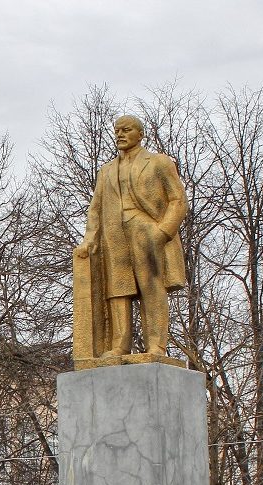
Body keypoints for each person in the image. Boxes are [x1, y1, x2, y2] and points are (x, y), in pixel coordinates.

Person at [73, 115, 187, 361]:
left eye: (126, 130)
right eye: (117, 130)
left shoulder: (158, 162)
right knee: (118, 289)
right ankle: (120, 345)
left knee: (151, 287)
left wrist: (163, 231)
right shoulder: (106, 171)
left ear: (140, 134)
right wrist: (90, 239)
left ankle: (156, 346)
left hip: (146, 229)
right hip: (114, 234)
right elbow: (96, 209)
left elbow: (178, 200)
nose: (120, 134)